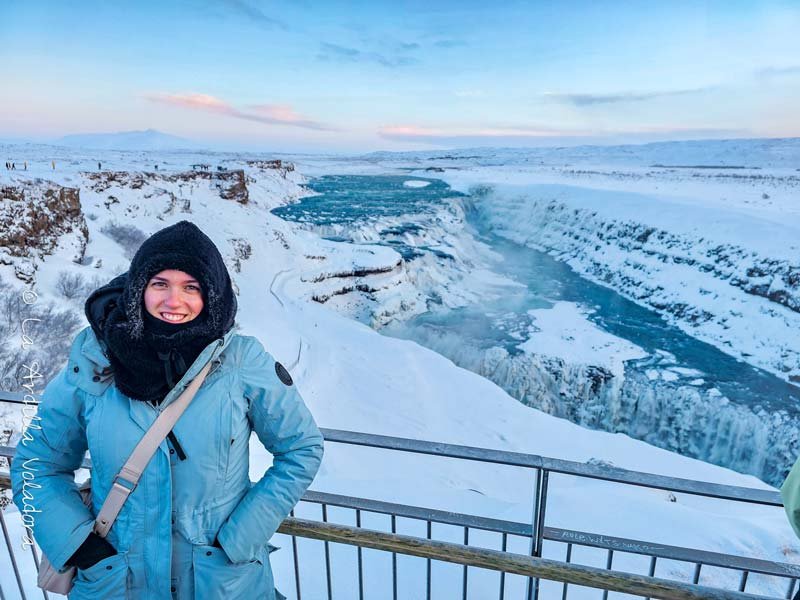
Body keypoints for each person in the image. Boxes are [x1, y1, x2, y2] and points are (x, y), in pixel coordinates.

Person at [11, 220, 324, 599]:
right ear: (138, 288)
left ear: (212, 294)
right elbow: (36, 463)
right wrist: (79, 546)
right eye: (160, 284)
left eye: (191, 287)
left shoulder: (241, 361)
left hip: (221, 582)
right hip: (116, 582)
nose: (173, 302)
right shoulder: (95, 361)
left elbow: (300, 448)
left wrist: (240, 539)